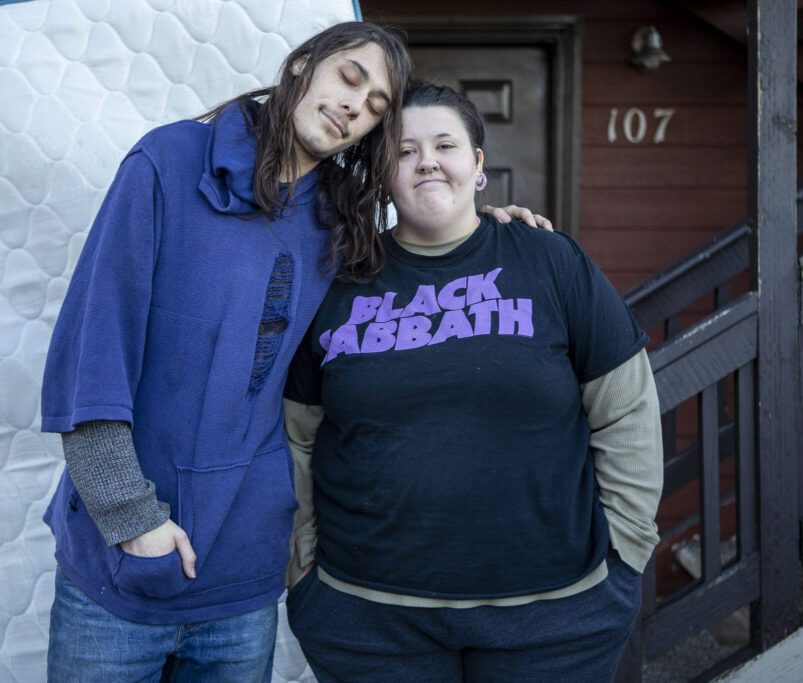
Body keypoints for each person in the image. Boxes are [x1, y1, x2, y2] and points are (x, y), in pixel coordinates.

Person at [40, 22, 548, 681]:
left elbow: (402, 297)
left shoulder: (340, 223)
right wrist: (130, 518)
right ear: (304, 64)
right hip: (120, 568)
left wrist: (480, 233)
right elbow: (91, 352)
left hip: (243, 580)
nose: (354, 105)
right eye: (350, 77)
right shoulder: (168, 162)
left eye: (375, 108)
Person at [283, 82, 663, 683]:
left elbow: (626, 409)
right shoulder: (337, 282)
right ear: (382, 173)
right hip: (367, 619)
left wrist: (624, 553)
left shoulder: (549, 261)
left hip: (557, 619)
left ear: (478, 165)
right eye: (403, 151)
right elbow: (297, 438)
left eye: (445, 145)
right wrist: (304, 567)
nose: (426, 160)